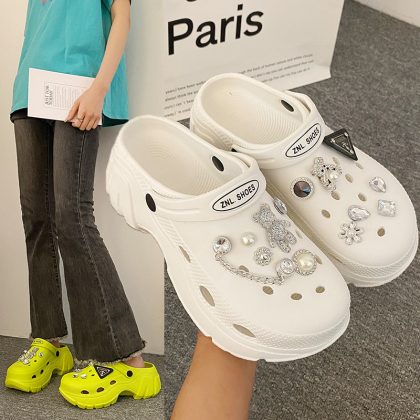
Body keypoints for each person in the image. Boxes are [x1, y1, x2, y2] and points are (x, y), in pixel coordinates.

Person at [5, 0, 160, 409]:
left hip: (78, 86)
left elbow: (122, 17)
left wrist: (98, 88)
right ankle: (49, 340)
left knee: (72, 216)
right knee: (36, 218)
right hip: (29, 89)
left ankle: (126, 358)